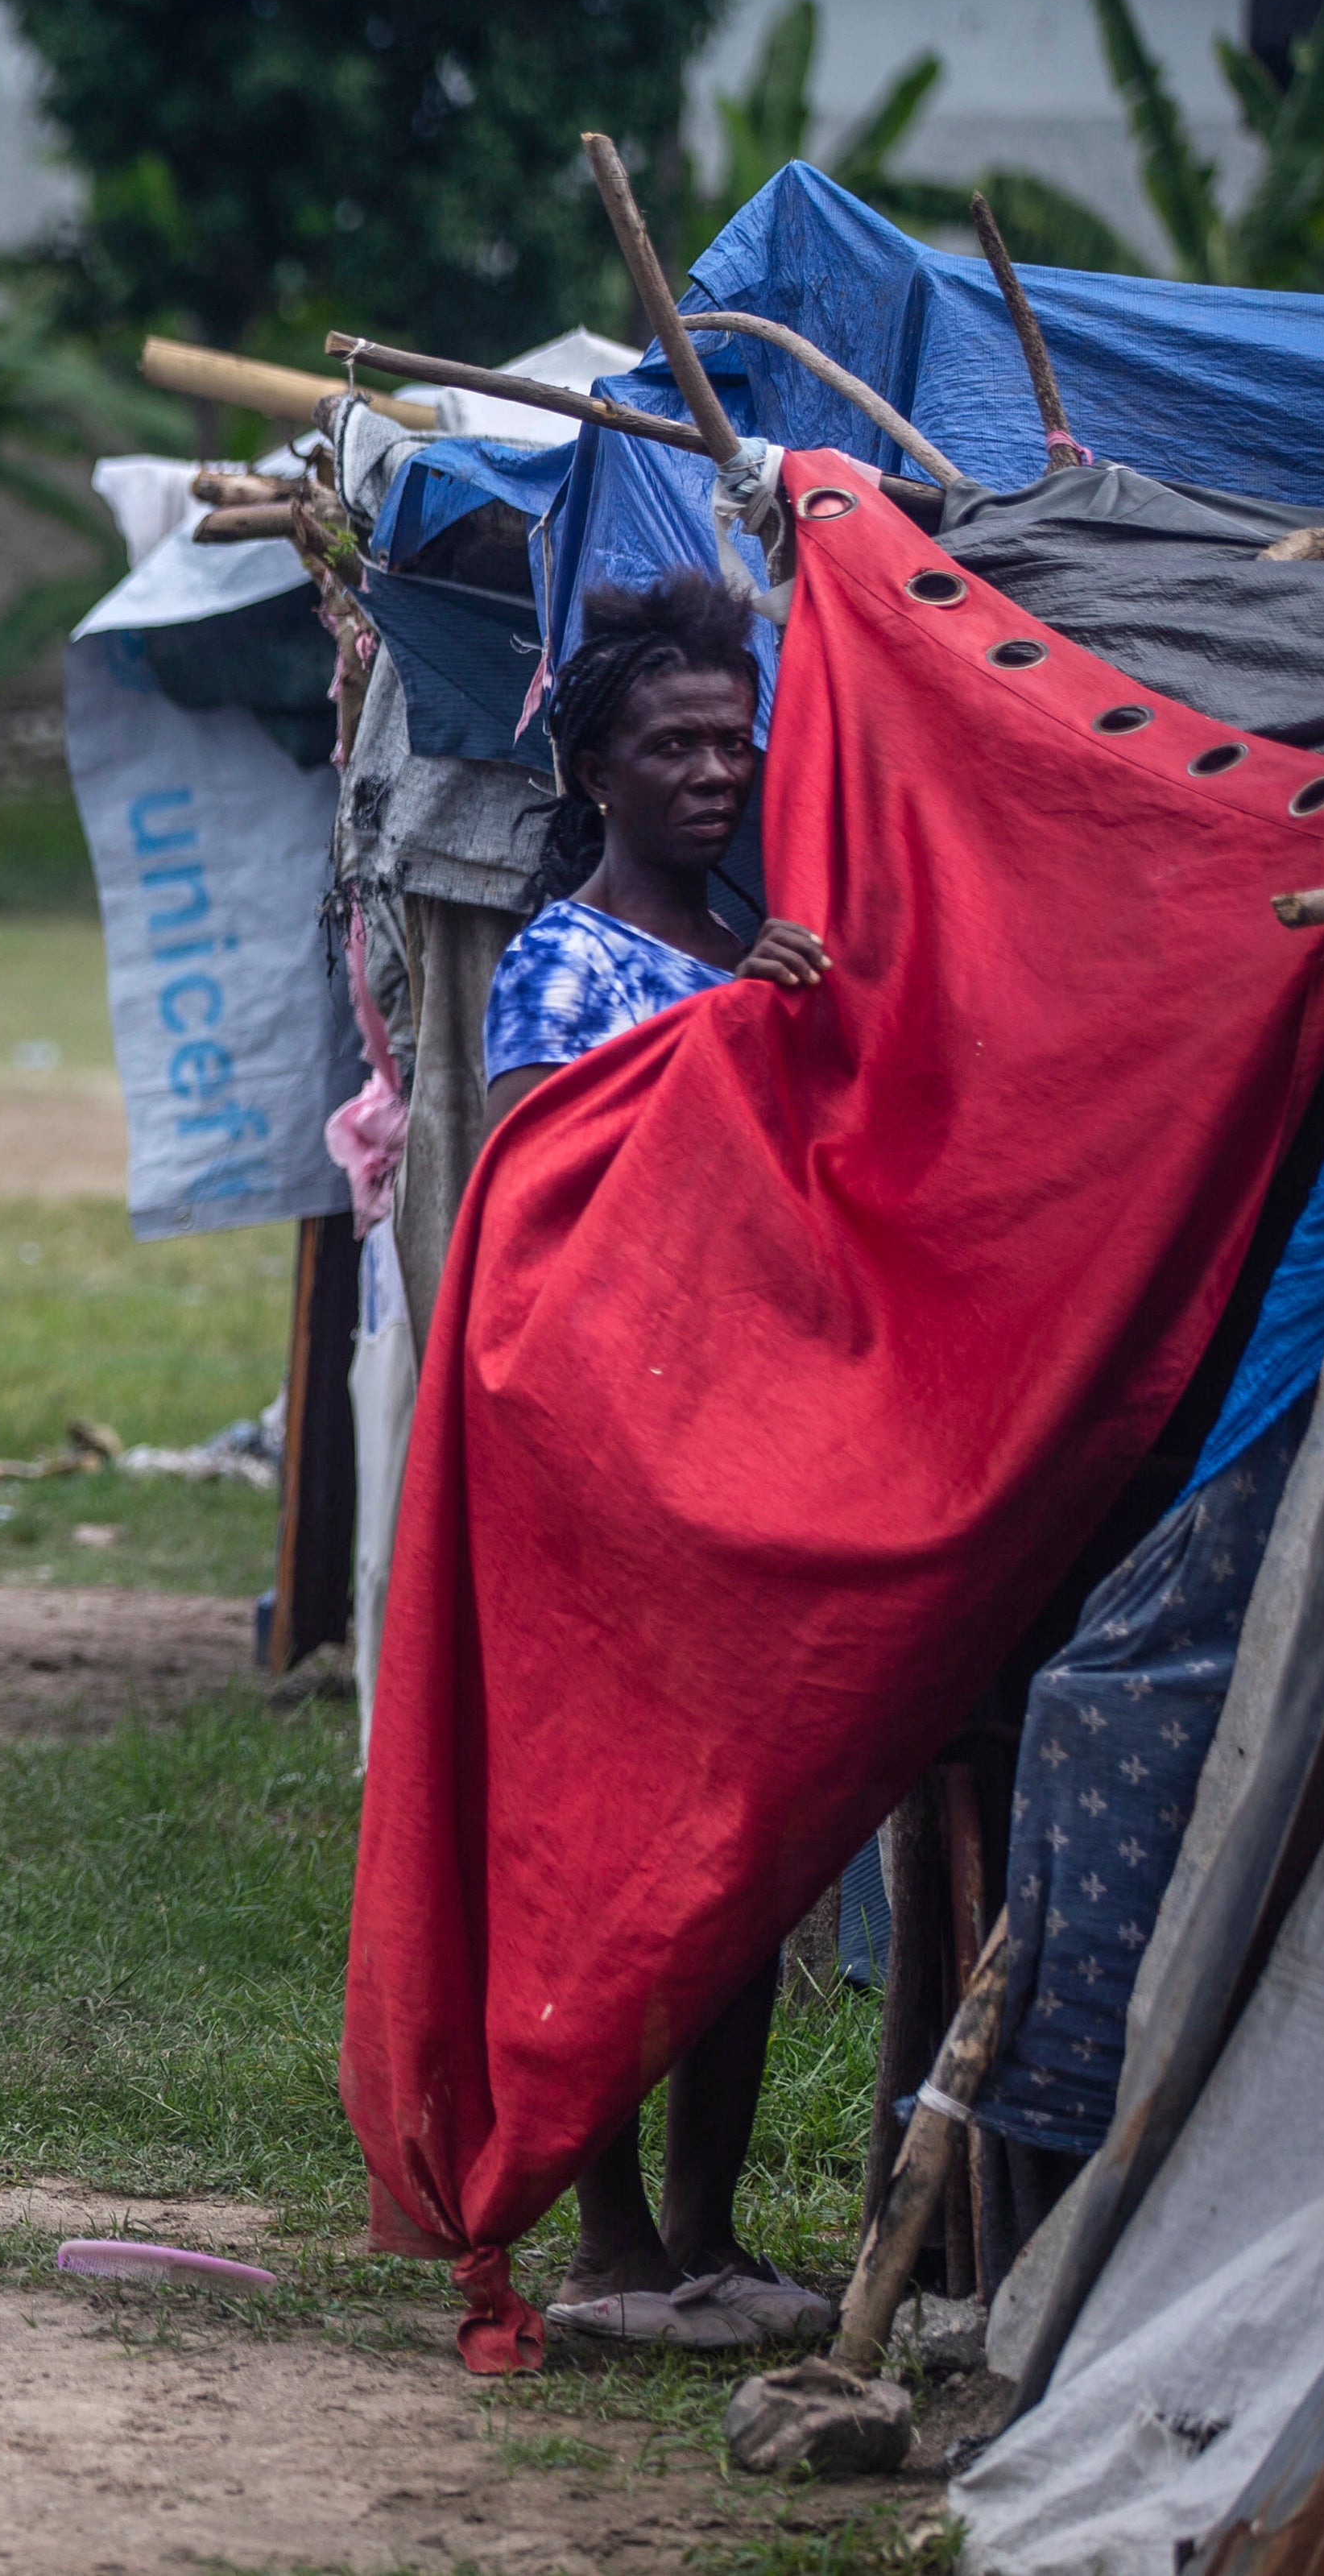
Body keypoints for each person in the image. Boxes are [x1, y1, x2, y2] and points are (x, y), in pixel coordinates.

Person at [482, 571, 836, 2351]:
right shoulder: (562, 967)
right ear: (595, 770)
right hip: (614, 1463)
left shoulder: (768, 942)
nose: (714, 767)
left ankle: (707, 2227)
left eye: (730, 736)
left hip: (762, 1453)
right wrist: (731, 1034)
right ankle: (610, 2237)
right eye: (672, 743)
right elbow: (560, 1219)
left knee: (744, 1865)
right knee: (620, 1861)